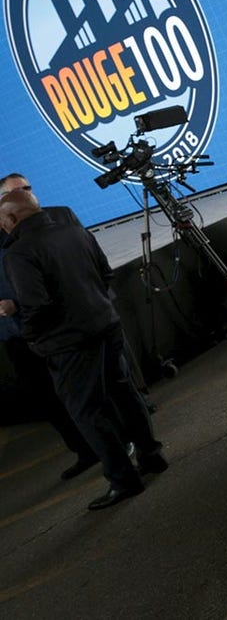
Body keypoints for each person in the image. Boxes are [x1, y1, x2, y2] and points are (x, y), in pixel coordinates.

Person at [0, 190, 167, 511]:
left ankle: (123, 480)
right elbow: (105, 275)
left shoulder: (18, 253)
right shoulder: (75, 231)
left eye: (2, 221)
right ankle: (152, 455)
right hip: (107, 326)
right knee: (125, 394)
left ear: (12, 218)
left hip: (68, 345)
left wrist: (33, 338)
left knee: (88, 412)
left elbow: (37, 305)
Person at [0, 174, 96, 480]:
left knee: (82, 393)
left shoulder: (47, 223)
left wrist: (16, 302)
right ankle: (84, 450)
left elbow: (46, 278)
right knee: (47, 397)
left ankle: (113, 448)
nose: (26, 194)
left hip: (49, 326)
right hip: (15, 336)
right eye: (18, 192)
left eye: (26, 189)